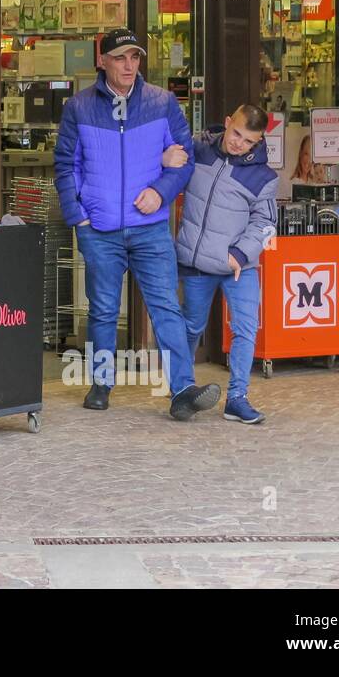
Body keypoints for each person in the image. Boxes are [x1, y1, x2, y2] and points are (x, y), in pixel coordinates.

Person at [54, 28, 218, 420]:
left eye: (135, 57)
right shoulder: (79, 107)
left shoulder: (162, 103)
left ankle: (182, 390)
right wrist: (79, 216)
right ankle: (101, 383)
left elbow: (185, 161)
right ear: (103, 61)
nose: (130, 65)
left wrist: (161, 193)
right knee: (104, 309)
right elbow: (65, 166)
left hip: (150, 226)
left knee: (165, 307)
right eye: (121, 57)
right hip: (100, 228)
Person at [164, 104, 277, 424]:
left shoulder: (263, 176)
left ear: (258, 142)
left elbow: (266, 222)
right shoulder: (198, 151)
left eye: (248, 141)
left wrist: (240, 254)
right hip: (197, 263)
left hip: (239, 266)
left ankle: (237, 398)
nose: (239, 143)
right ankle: (179, 388)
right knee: (191, 328)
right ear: (228, 123)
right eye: (236, 133)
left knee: (245, 329)